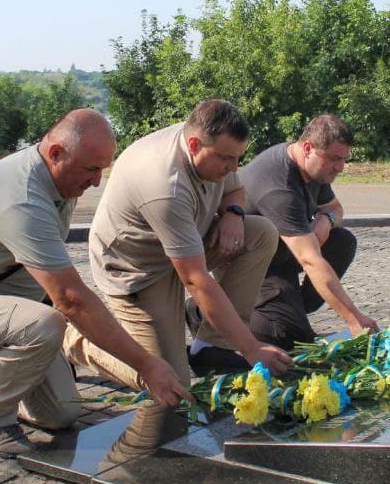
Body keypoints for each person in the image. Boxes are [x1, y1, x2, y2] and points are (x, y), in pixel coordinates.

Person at [0, 108, 191, 457]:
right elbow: (70, 299)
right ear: (55, 153)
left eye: (103, 169)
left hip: (12, 311)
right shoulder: (22, 198)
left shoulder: (60, 179)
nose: (97, 182)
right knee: (46, 323)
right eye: (91, 169)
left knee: (60, 412)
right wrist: (146, 365)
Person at [65, 99, 294, 389]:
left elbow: (234, 189)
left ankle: (212, 347)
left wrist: (234, 214)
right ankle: (73, 341)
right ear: (194, 145)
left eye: (239, 158)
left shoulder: (212, 143)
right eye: (227, 159)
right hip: (137, 269)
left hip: (183, 246)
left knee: (260, 232)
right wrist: (252, 348)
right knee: (169, 381)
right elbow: (195, 280)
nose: (234, 167)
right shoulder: (166, 185)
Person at [238, 114, 378, 350]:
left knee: (343, 241)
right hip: (253, 267)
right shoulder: (280, 187)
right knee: (290, 339)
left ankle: (293, 306)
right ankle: (208, 312)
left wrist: (325, 219)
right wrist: (354, 319)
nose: (340, 168)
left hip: (281, 253)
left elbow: (336, 209)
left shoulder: (314, 169)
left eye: (344, 159)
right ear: (307, 148)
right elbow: (310, 260)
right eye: (335, 159)